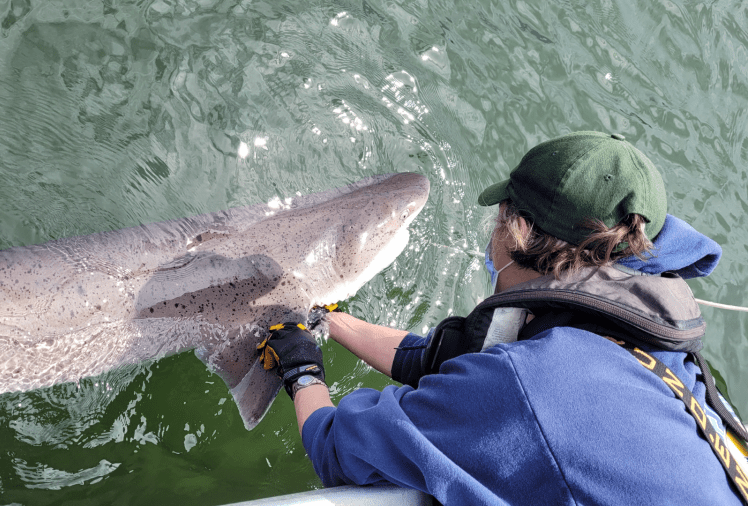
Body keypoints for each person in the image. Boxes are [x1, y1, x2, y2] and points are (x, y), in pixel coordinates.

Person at [258, 131, 748, 505]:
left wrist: (301, 368)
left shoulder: (529, 388)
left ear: (514, 232)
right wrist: (329, 320)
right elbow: (447, 363)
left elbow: (339, 449)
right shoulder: (650, 343)